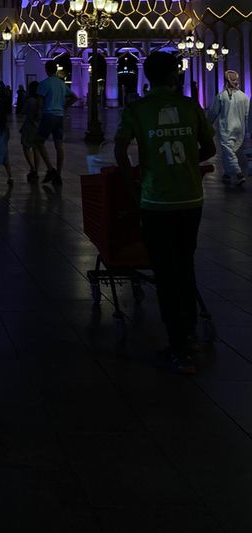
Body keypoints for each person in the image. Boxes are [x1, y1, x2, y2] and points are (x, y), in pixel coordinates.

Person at [115, 50, 216, 375]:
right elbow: (210, 147)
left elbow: (119, 148)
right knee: (185, 266)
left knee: (165, 272)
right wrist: (189, 159)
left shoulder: (138, 109)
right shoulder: (189, 106)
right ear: (175, 75)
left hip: (156, 201)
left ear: (147, 76)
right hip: (191, 199)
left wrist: (134, 184)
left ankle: (178, 348)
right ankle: (188, 336)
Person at [34, 60, 77, 186]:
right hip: (60, 117)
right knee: (59, 146)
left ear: (46, 70)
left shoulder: (43, 84)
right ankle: (59, 174)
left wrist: (39, 111)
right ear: (56, 70)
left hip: (48, 115)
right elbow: (74, 97)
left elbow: (40, 103)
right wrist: (64, 106)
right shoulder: (61, 84)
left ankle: (50, 168)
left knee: (39, 142)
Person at [207, 70, 249, 186]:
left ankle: (239, 173)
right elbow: (247, 115)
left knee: (229, 151)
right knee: (229, 151)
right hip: (240, 129)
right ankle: (227, 174)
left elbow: (213, 112)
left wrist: (207, 125)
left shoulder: (222, 96)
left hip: (227, 128)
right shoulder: (244, 96)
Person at [19, 80, 41, 182]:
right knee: (36, 148)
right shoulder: (41, 100)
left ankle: (32, 168)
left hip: (29, 127)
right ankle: (36, 169)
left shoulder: (30, 101)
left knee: (26, 147)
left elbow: (23, 112)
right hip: (39, 127)